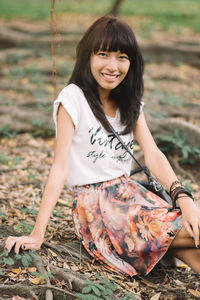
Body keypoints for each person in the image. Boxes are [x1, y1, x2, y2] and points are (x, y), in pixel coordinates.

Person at [5, 15, 200, 276]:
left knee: (195, 252)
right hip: (101, 211)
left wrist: (182, 196)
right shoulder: (72, 99)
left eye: (122, 57)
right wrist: (37, 234)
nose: (112, 65)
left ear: (132, 62)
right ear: (88, 57)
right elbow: (59, 168)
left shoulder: (129, 103)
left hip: (133, 198)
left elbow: (152, 154)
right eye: (103, 54)